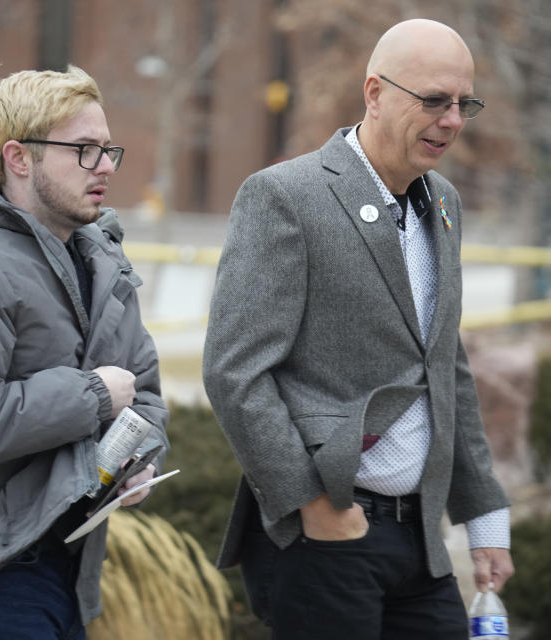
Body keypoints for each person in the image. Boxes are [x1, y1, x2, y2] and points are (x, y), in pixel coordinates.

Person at [202, 19, 514, 639]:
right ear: (374, 93)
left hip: (420, 539)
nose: (451, 120)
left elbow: (444, 364)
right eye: (433, 101)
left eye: (463, 104)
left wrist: (484, 519)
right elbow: (234, 372)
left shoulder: (444, 202)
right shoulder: (284, 196)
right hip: (326, 540)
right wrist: (315, 506)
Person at [0, 65, 168, 640]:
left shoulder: (102, 262)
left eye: (108, 149)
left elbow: (142, 391)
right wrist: (93, 395)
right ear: (19, 158)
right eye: (84, 150)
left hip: (65, 569)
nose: (106, 167)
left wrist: (137, 463)